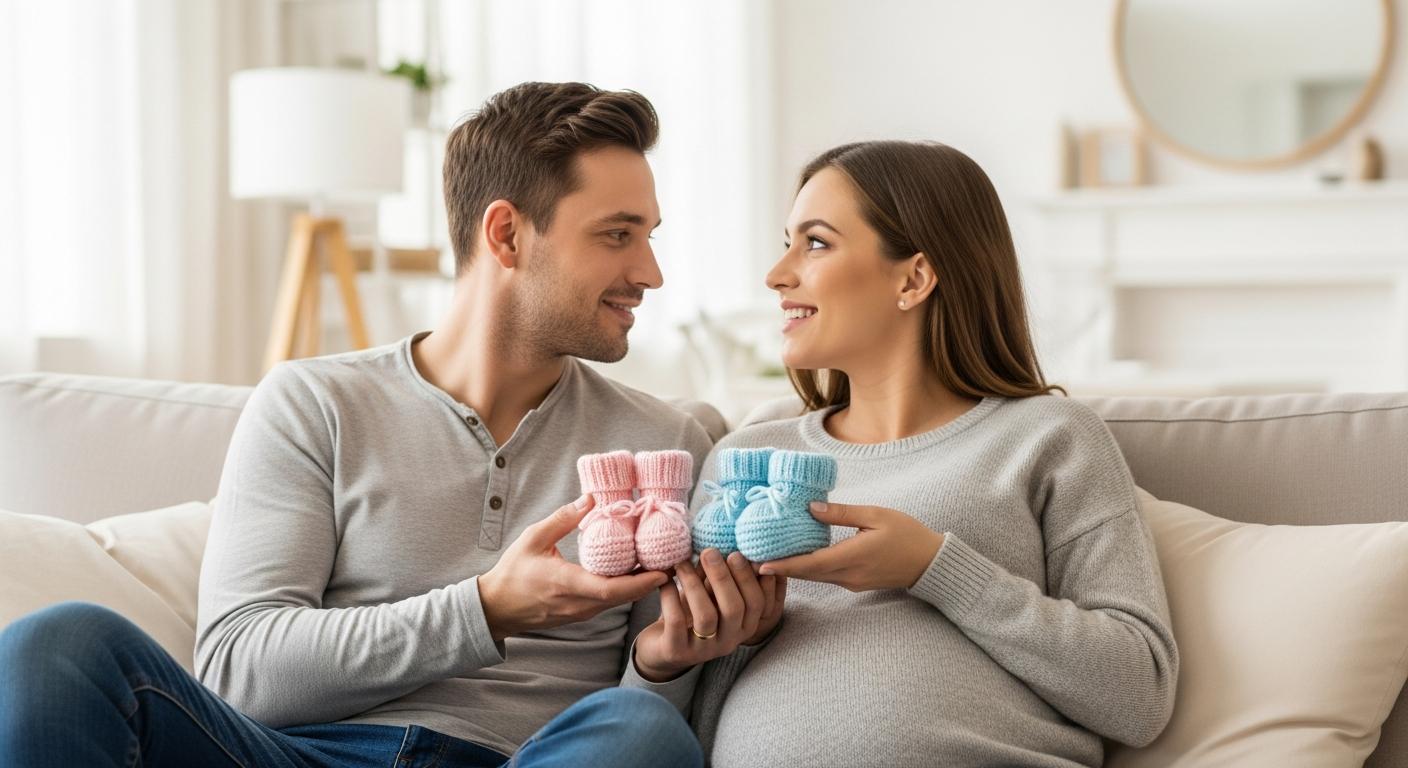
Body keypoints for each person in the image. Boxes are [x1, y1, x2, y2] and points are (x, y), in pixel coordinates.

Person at [0, 81, 778, 768]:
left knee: (638, 729)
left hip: (529, 757)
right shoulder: (315, 402)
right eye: (617, 234)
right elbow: (240, 670)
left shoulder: (668, 442)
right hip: (300, 756)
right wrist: (487, 607)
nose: (650, 273)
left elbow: (654, 726)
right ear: (506, 234)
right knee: (58, 644)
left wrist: (663, 664)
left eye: (649, 236)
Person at [687, 140, 1180, 767]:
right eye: (788, 242)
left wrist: (934, 568)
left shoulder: (1050, 437)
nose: (777, 274)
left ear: (914, 278)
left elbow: (1140, 696)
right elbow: (664, 713)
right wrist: (712, 647)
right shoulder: (747, 460)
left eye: (815, 242)